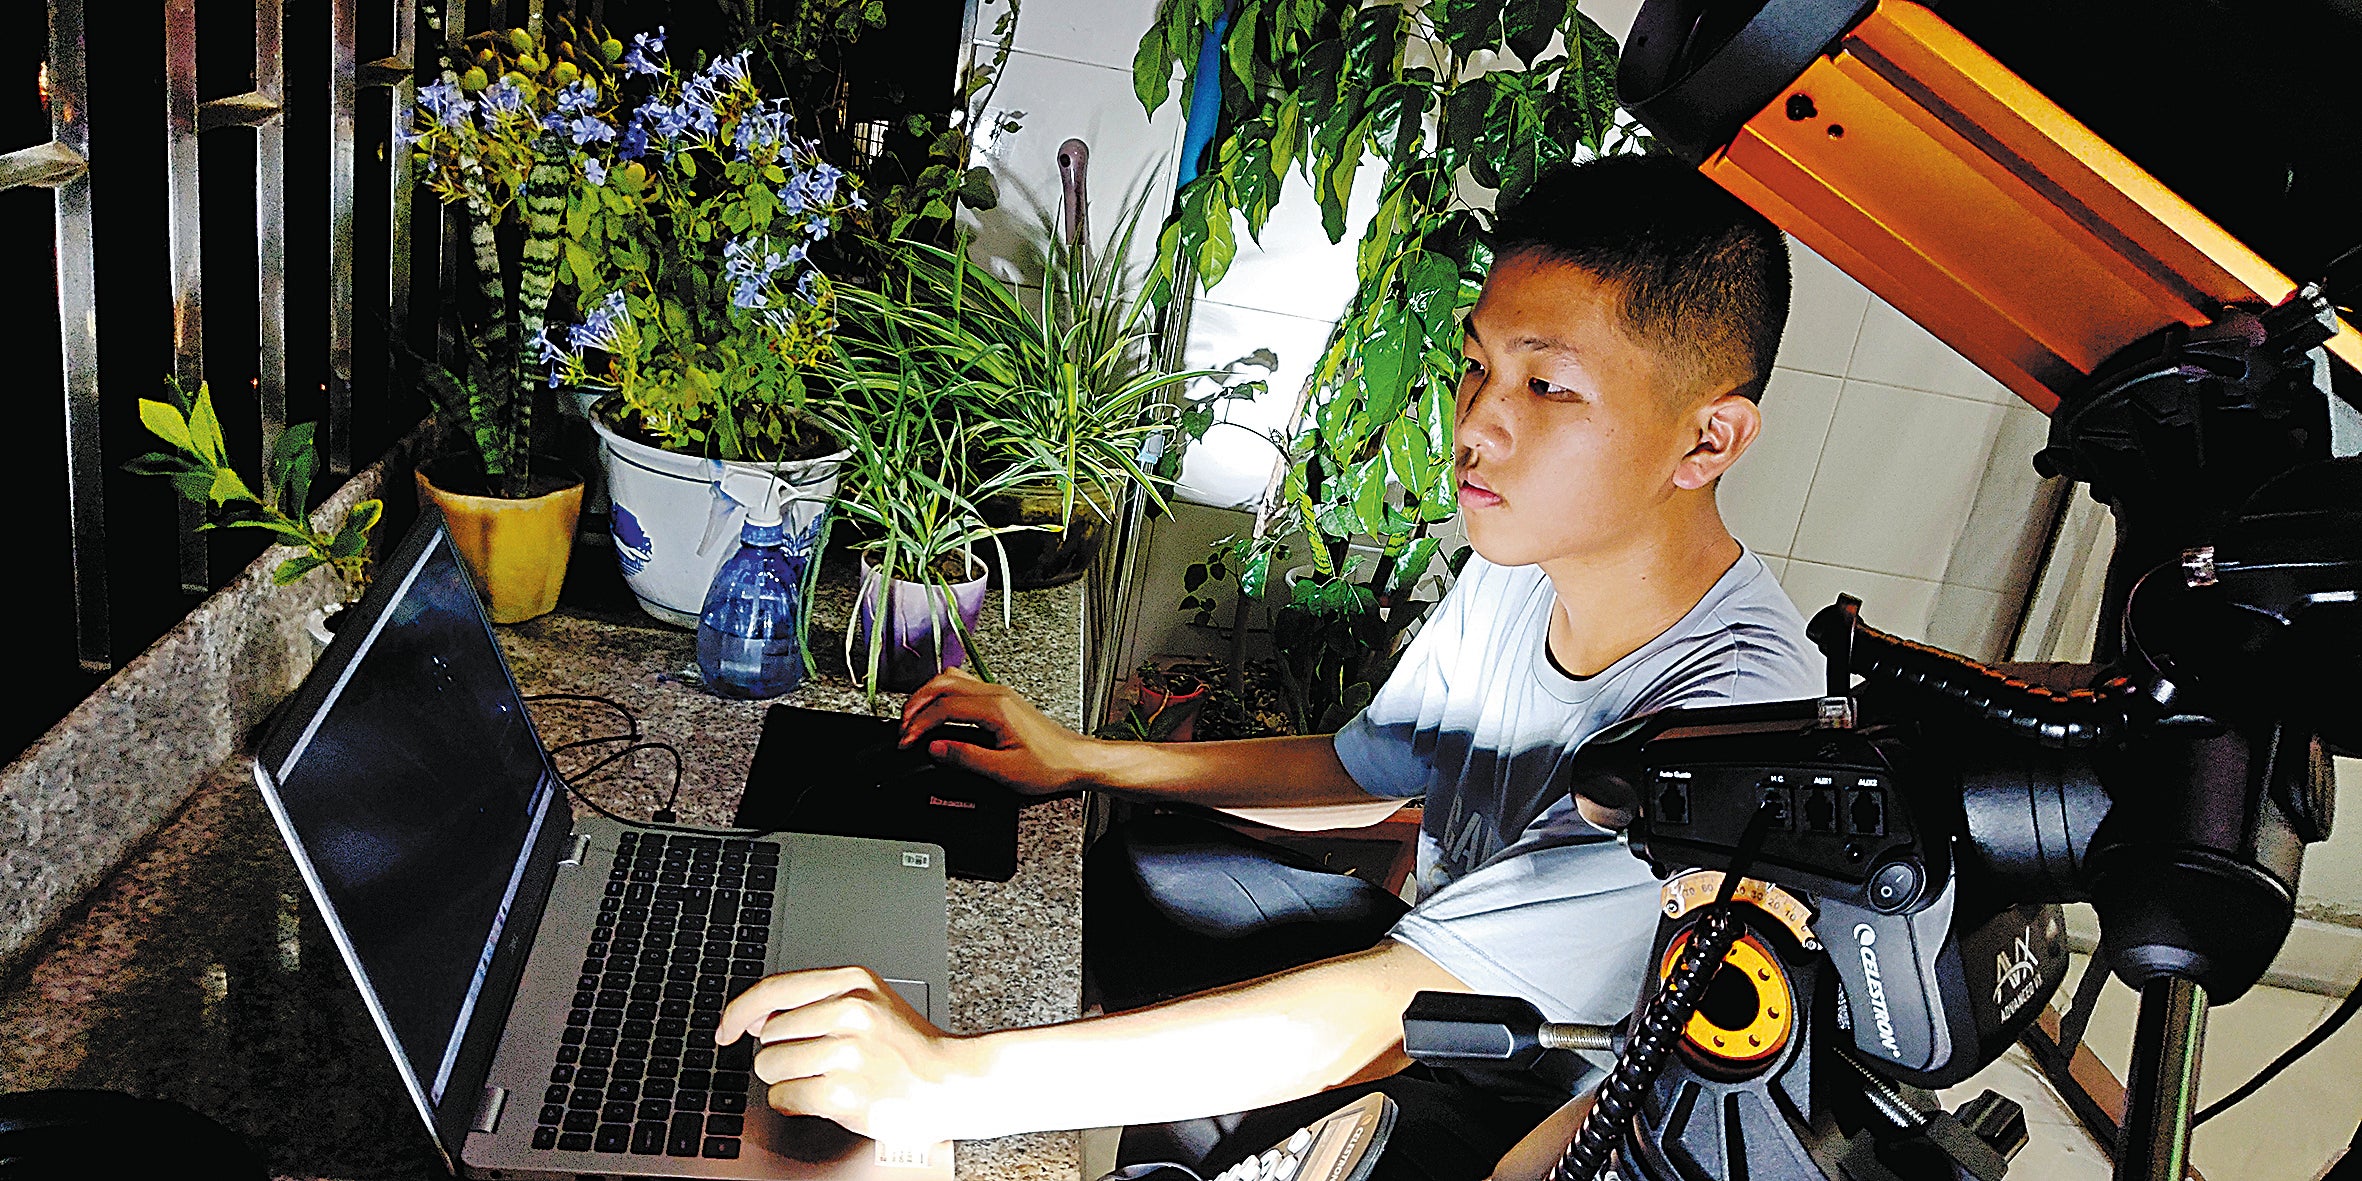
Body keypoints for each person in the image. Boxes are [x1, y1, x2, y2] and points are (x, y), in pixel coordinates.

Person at [716, 153, 1825, 1179]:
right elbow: (1365, 768)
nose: (1477, 423)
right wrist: (1086, 759)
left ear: (1708, 440)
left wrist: (950, 1075)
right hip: (1435, 977)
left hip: (1530, 1097)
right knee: (1145, 871)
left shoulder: (1737, 719)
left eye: (1548, 388)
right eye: (1478, 367)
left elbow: (1383, 1010)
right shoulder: (1527, 554)